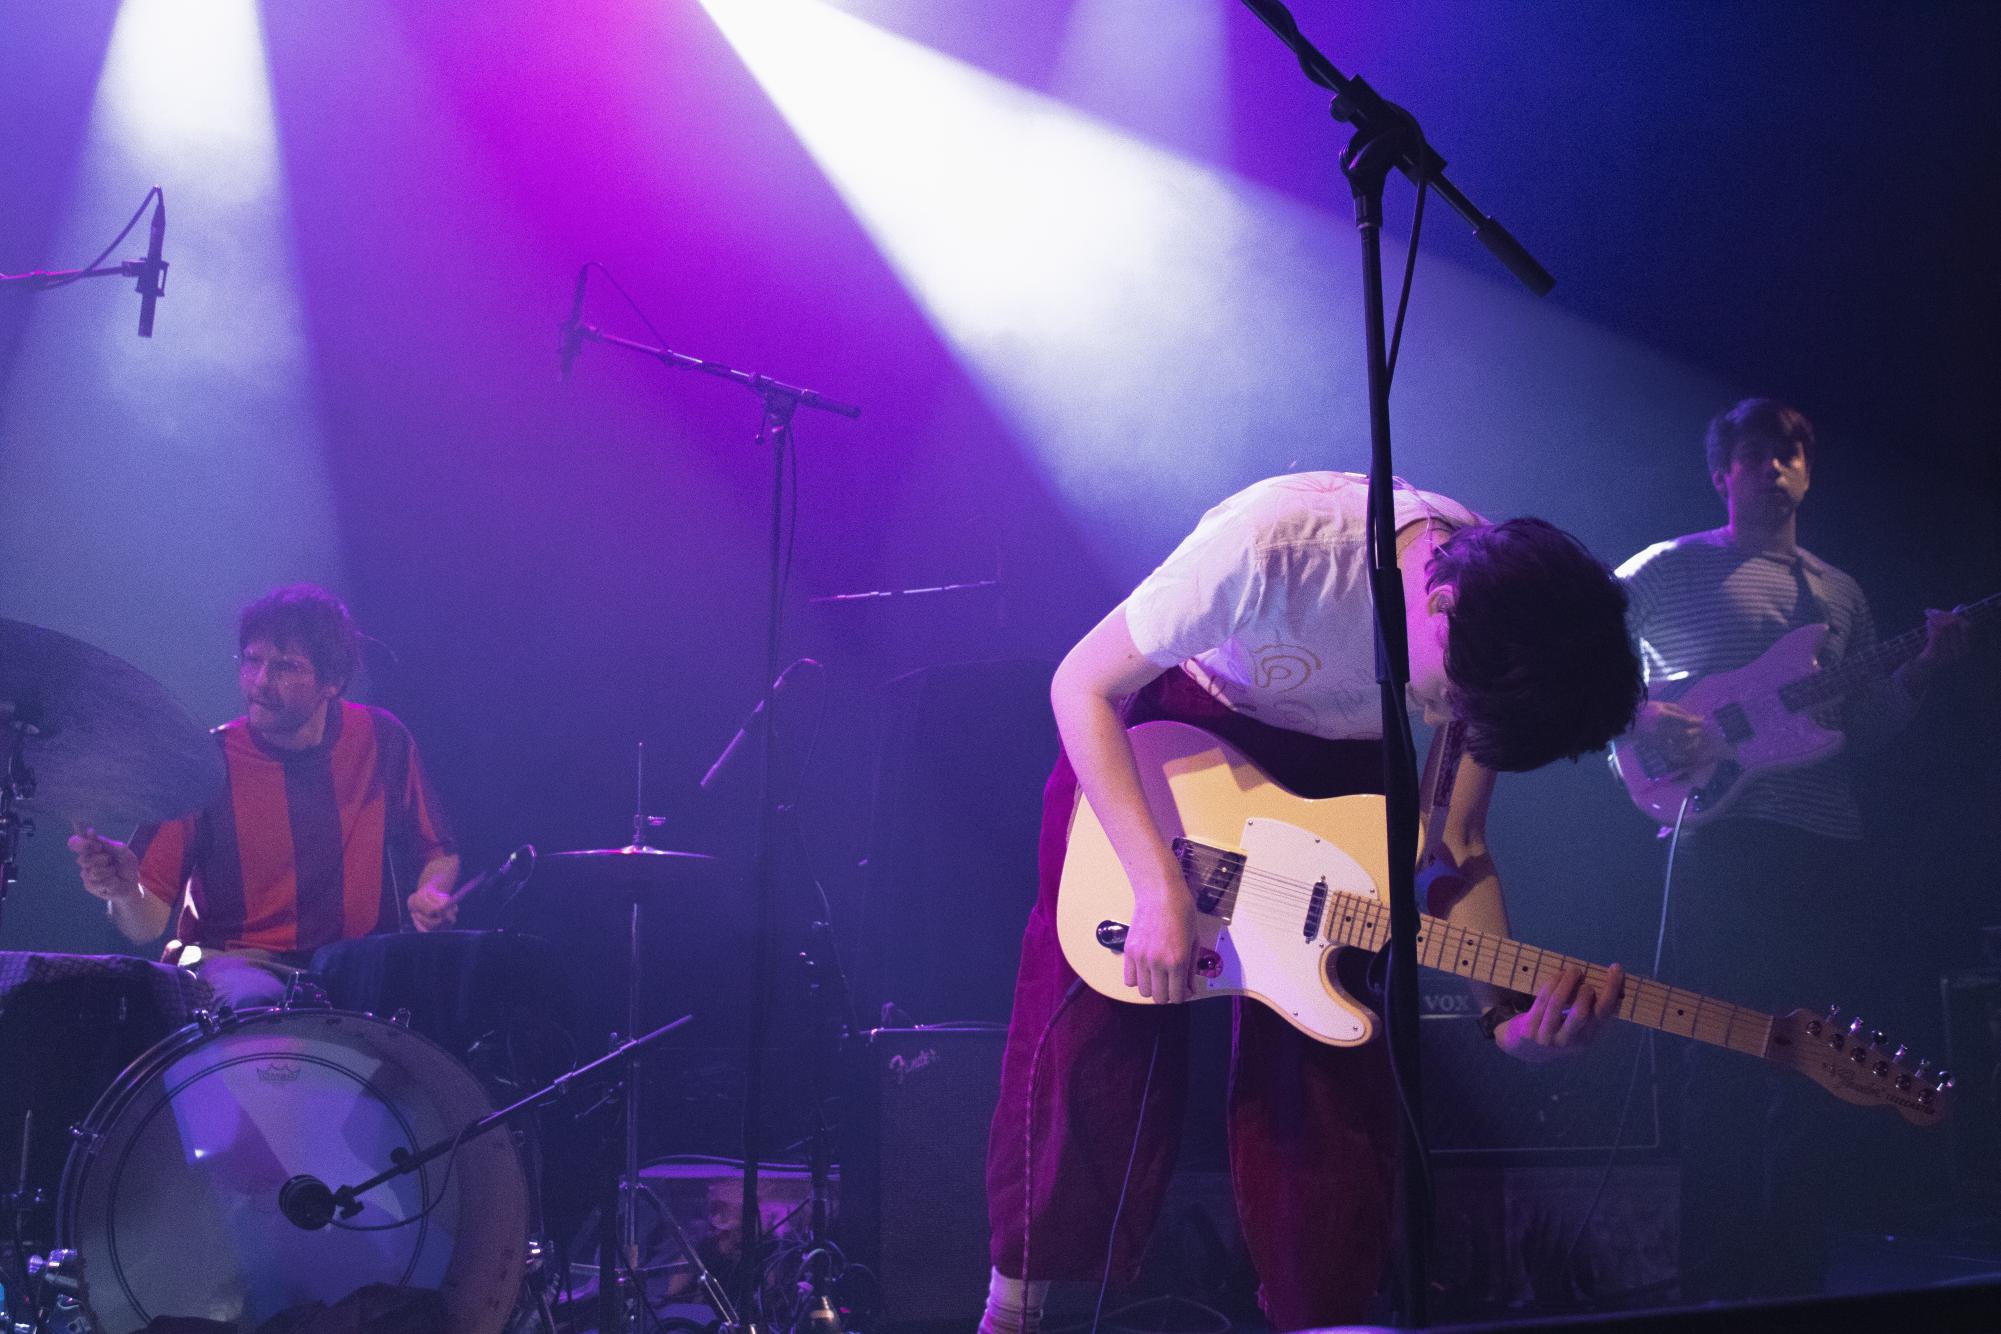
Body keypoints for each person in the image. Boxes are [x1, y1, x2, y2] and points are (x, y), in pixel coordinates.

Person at [980, 471, 1647, 1333]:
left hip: (1342, 776)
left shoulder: (1508, 636)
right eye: (1454, 701)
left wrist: (1505, 1021)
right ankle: (1016, 1309)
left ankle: (1321, 1318)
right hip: (1171, 737)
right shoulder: (1278, 545)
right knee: (1096, 1022)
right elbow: (1081, 685)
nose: (1449, 717)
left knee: (1331, 1058)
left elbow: (1454, 846)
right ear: (1437, 603)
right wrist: (1155, 888)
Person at [1618, 398, 1967, 1301]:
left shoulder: (1837, 594)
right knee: (1723, 1052)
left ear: (1807, 472)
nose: (1773, 466)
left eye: (1790, 453)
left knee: (1820, 1057)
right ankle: (1712, 1277)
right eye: (1754, 453)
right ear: (1720, 471)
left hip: (1818, 842)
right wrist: (1641, 712)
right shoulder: (1667, 567)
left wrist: (1920, 673)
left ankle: (1796, 1274)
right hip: (1721, 840)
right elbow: (1587, 653)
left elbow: (1862, 728)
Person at [68, 584, 461, 1009]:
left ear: (332, 682)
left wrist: (434, 892)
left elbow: (439, 852)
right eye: (252, 661)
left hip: (354, 965)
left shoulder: (383, 739)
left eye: (285, 667)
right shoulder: (205, 763)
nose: (260, 682)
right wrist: (125, 893)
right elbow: (145, 926)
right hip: (237, 965)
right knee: (257, 1009)